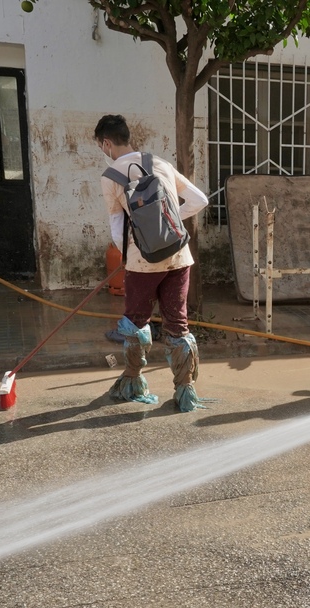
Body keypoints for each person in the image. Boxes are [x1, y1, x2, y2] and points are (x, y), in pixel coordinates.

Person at [95, 114, 208, 411]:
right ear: (128, 136)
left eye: (101, 146)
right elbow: (199, 201)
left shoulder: (111, 178)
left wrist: (132, 250)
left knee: (135, 323)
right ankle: (185, 393)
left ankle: (132, 383)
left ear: (107, 143)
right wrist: (167, 223)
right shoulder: (162, 164)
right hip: (180, 255)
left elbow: (117, 227)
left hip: (141, 262)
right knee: (178, 325)